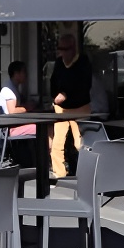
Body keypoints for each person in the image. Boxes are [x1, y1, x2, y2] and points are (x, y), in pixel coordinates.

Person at [49, 33, 92, 179]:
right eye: (59, 49)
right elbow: (53, 81)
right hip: (62, 108)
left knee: (80, 142)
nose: (61, 52)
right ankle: (59, 174)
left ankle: (85, 174)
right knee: (57, 143)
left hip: (80, 107)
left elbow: (84, 84)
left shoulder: (83, 62)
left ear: (72, 48)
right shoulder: (59, 63)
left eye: (64, 49)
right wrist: (55, 97)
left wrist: (66, 93)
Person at [0, 61, 37, 164]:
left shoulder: (12, 87)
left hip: (8, 126)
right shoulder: (9, 90)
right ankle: (41, 160)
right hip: (10, 129)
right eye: (23, 72)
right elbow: (12, 111)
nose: (26, 75)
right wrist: (28, 108)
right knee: (40, 128)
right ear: (16, 73)